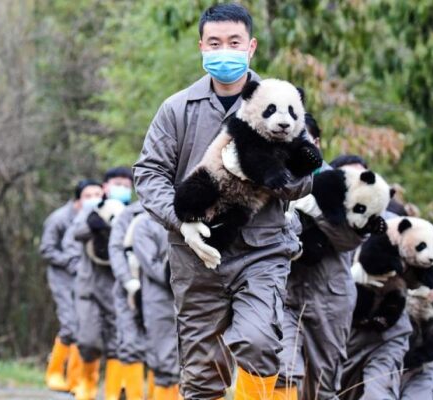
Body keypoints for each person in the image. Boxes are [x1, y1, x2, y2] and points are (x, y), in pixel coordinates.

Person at [133, 4, 312, 399]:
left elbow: (306, 182)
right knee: (201, 375)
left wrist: (271, 171)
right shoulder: (176, 109)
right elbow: (148, 175)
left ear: (251, 47)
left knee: (260, 341)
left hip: (261, 250)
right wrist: (183, 223)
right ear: (201, 46)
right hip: (195, 257)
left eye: (233, 42)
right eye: (214, 43)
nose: (224, 50)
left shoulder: (283, 102)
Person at [275, 116, 367, 399]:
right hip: (285, 295)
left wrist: (317, 211)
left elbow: (351, 238)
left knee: (323, 388)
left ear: (316, 142)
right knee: (283, 371)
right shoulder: (274, 178)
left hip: (330, 299)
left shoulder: (341, 184)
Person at [331, 155, 413, 399]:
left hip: (384, 336)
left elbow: (421, 267)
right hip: (335, 337)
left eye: (364, 176)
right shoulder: (317, 218)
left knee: (378, 395)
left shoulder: (392, 223)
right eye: (349, 177)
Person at [68, 167, 135, 400]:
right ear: (106, 186)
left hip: (119, 289)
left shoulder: (131, 212)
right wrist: (94, 224)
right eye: (118, 183)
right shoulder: (93, 209)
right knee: (87, 340)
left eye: (127, 185)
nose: (122, 189)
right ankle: (85, 385)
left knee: (119, 344)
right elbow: (77, 232)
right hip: (89, 287)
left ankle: (114, 392)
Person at [41, 179, 103, 392]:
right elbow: (46, 249)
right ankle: (54, 373)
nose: (94, 199)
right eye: (88, 195)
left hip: (84, 277)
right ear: (78, 199)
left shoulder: (98, 215)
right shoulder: (59, 218)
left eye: (97, 194)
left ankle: (75, 379)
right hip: (62, 276)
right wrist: (70, 263)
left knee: (83, 326)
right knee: (69, 324)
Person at [132, 213, 180, 400]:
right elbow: (149, 262)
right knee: (163, 356)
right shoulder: (144, 224)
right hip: (158, 296)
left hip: (187, 295)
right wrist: (172, 275)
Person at [108, 196, 149, 399]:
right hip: (130, 291)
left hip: (164, 292)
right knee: (131, 344)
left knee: (167, 352)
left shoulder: (176, 209)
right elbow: (115, 249)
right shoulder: (129, 214)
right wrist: (127, 281)